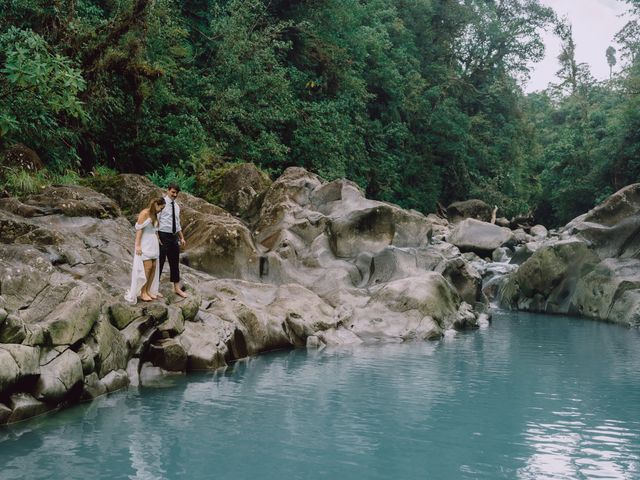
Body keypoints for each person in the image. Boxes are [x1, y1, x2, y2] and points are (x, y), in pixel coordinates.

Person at [125, 197, 166, 303]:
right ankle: (142, 292)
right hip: (145, 242)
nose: (161, 210)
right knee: (147, 267)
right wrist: (137, 245)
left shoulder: (156, 215)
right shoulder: (144, 213)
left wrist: (158, 240)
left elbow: (155, 230)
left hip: (154, 243)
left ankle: (148, 290)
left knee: (153, 267)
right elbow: (139, 230)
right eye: (160, 208)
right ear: (156, 204)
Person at [158, 184, 188, 298]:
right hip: (163, 234)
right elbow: (156, 219)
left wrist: (182, 237)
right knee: (160, 261)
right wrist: (157, 235)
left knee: (175, 262)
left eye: (176, 193)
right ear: (168, 190)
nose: (174, 195)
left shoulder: (177, 206)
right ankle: (154, 288)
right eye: (173, 192)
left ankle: (176, 288)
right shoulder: (162, 203)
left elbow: (177, 223)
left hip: (173, 236)